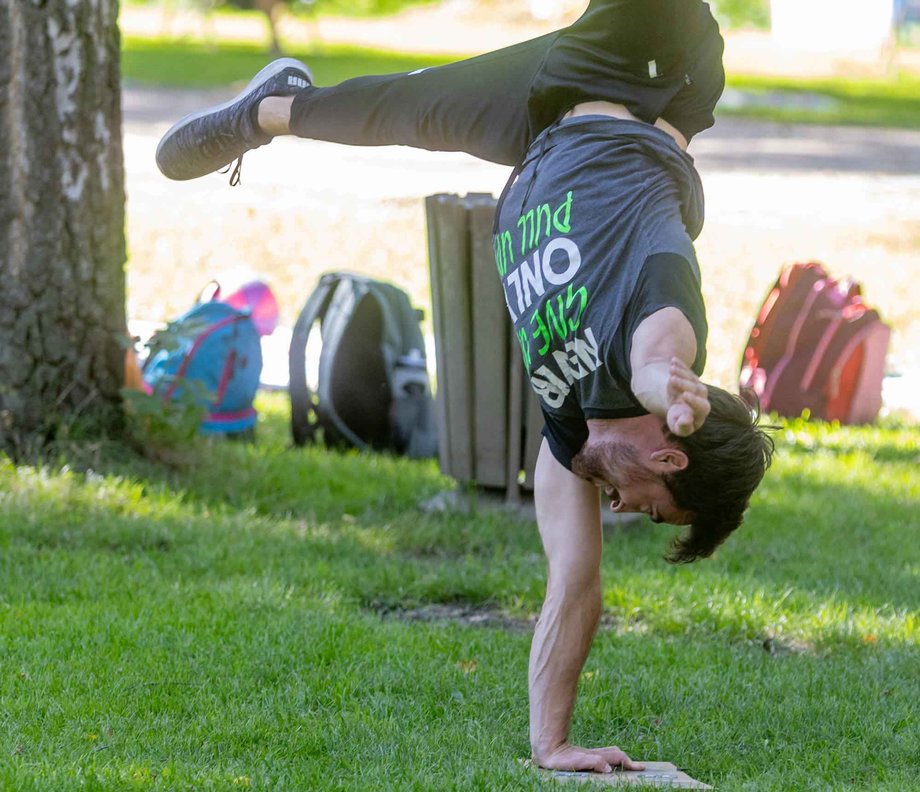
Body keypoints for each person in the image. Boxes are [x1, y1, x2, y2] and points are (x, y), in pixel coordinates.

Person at [153, 0, 776, 776]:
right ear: (671, 456)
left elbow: (575, 587)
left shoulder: (570, 435)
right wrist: (664, 385)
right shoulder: (660, 327)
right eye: (646, 508)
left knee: (402, 110)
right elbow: (661, 344)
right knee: (429, 110)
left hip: (543, 124)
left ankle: (267, 108)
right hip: (648, 68)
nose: (619, 510)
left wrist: (551, 745)